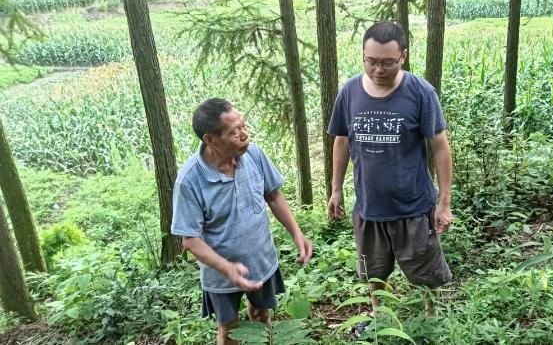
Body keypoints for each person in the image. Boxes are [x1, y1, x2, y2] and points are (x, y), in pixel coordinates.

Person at [327, 21, 453, 323]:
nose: (378, 70)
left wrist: (444, 202)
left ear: (403, 56)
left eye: (387, 63)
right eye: (371, 61)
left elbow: (440, 146)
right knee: (374, 271)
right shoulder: (349, 92)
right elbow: (342, 141)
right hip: (369, 207)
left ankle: (430, 317)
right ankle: (379, 318)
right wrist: (336, 189)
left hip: (413, 206)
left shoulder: (421, 92)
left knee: (426, 271)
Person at [171, 98, 313, 345]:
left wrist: (297, 234)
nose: (244, 135)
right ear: (210, 140)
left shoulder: (254, 155)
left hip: (261, 260)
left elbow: (273, 195)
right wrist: (228, 269)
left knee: (261, 315)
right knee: (229, 330)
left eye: (244, 126)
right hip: (221, 275)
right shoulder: (190, 180)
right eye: (234, 131)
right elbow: (190, 240)